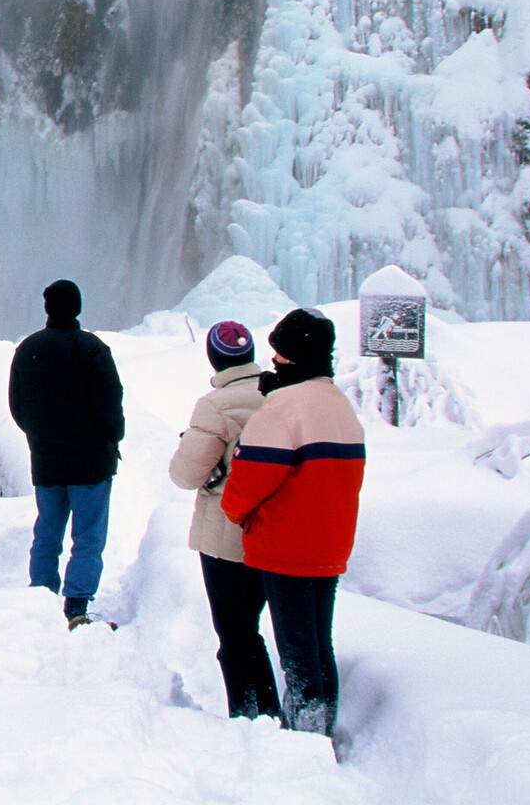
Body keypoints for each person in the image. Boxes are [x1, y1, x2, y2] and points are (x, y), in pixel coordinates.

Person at [221, 308, 365, 740]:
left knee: (297, 655)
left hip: (286, 549)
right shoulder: (340, 405)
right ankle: (324, 727)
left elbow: (247, 484)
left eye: (279, 355)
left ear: (292, 358)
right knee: (321, 648)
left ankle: (307, 740)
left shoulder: (283, 408)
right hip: (330, 546)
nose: (274, 362)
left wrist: (236, 513)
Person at [167, 321, 282, 720]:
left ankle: (249, 715)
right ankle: (269, 710)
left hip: (226, 535)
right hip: (276, 530)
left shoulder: (214, 406)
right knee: (251, 628)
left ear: (214, 359)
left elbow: (185, 475)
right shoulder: (279, 395)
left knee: (234, 633)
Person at [8, 279, 124, 629]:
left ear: (47, 308)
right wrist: (111, 438)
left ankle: (40, 595)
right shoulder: (92, 349)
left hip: (47, 460)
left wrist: (39, 435)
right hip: (91, 462)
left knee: (47, 530)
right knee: (88, 535)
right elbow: (110, 403)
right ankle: (76, 604)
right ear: (78, 307)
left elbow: (17, 406)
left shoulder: (28, 349)